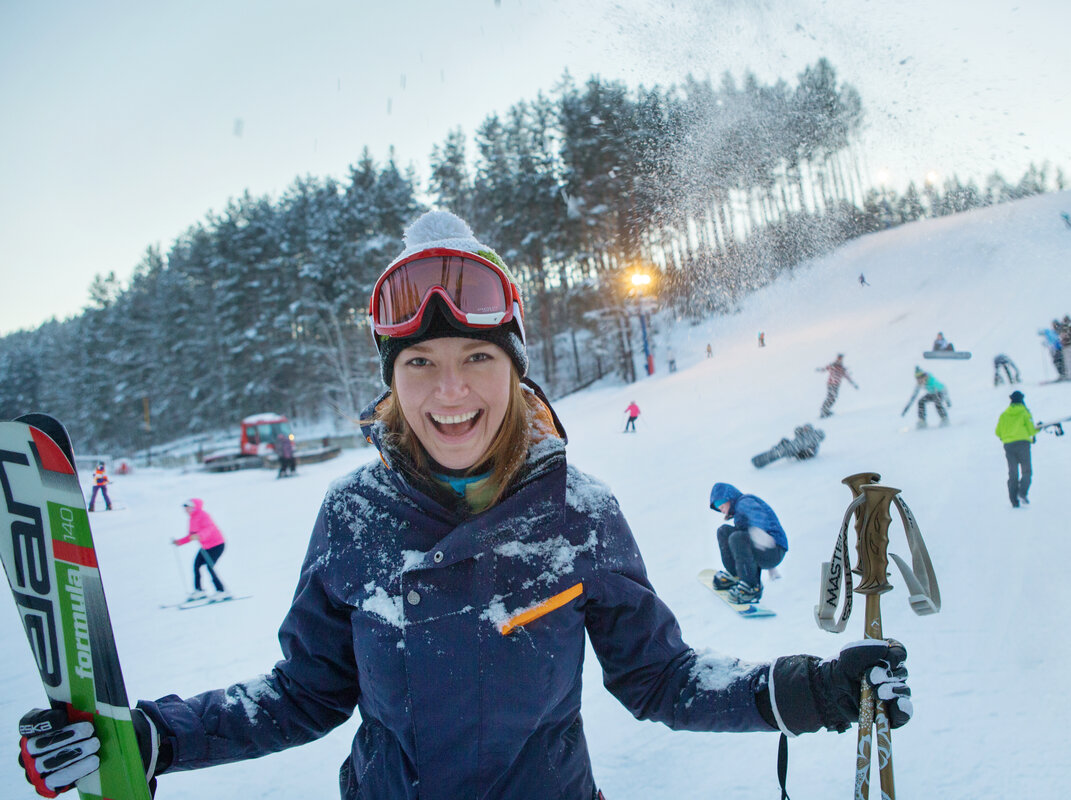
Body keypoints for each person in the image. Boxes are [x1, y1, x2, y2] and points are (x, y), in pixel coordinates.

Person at [16, 210, 913, 800]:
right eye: (420, 365)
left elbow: (659, 678)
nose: (451, 392)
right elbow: (302, 695)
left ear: (516, 370)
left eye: (478, 358)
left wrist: (807, 690)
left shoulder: (580, 513)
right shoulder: (353, 515)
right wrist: (152, 738)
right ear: (392, 382)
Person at [709, 482, 787, 603]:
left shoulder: (745, 502)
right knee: (724, 531)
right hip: (764, 547)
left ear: (727, 498)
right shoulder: (739, 511)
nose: (723, 512)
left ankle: (751, 586)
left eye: (722, 507)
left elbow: (758, 515)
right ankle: (735, 575)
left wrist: (759, 532)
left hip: (773, 547)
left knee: (737, 537)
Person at [174, 499, 227, 601]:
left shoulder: (203, 515)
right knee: (196, 565)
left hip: (217, 545)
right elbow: (191, 536)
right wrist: (179, 542)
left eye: (188, 507)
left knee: (209, 567)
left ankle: (222, 591)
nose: (186, 509)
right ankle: (199, 591)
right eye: (185, 508)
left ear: (194, 507)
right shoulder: (191, 519)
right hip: (206, 547)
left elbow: (209, 528)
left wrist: (200, 535)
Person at [995, 391, 1036, 508]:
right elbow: (1031, 430)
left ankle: (1014, 500)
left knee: (1013, 473)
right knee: (1026, 471)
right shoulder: (1024, 412)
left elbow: (998, 432)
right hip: (1023, 444)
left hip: (1008, 446)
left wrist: (1007, 437)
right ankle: (1022, 493)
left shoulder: (1004, 415)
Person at [816, 353, 858, 418]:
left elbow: (847, 377)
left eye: (841, 359)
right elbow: (825, 369)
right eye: (839, 359)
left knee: (833, 398)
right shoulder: (833, 366)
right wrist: (820, 369)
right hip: (831, 384)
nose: (840, 360)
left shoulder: (841, 368)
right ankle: (824, 410)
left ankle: (825, 410)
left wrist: (853, 384)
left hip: (836, 385)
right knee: (831, 397)